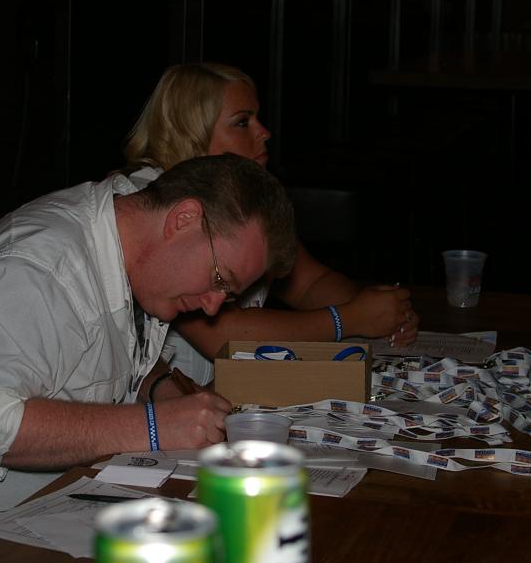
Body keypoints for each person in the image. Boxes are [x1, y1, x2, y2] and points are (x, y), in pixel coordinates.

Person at [0, 154, 295, 519]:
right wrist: (156, 426)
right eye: (219, 279)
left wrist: (162, 392)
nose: (214, 306)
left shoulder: (129, 235)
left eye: (228, 294)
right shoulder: (38, 267)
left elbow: (95, 355)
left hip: (30, 508)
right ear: (183, 218)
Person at [123, 63, 417, 386]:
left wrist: (383, 311)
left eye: (257, 119)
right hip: (164, 404)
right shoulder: (158, 205)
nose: (264, 132)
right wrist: (348, 318)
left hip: (227, 395)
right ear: (191, 133)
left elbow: (309, 283)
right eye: (242, 122)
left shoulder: (244, 197)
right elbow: (224, 336)